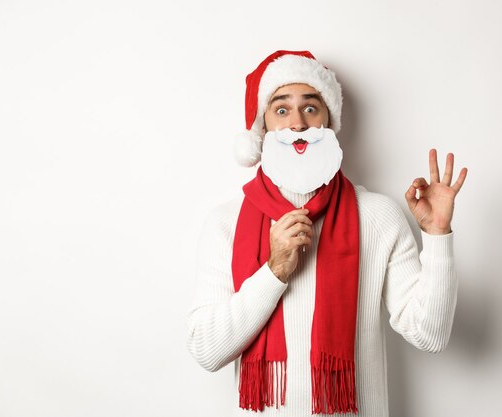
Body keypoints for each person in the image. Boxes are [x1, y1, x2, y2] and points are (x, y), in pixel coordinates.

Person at [187, 50, 468, 417]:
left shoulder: (377, 215)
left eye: (310, 107)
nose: (298, 124)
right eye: (282, 109)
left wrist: (437, 236)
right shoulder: (225, 223)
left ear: (328, 121)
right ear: (262, 130)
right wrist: (273, 272)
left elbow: (428, 335)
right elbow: (206, 350)